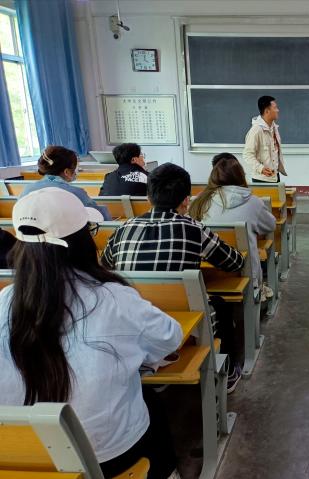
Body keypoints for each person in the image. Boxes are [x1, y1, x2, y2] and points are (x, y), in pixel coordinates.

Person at [0, 187, 182, 479]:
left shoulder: (4, 300)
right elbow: (169, 338)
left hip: (20, 458)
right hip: (104, 458)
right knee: (152, 404)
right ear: (81, 241)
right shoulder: (113, 298)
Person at [101, 163, 245, 392]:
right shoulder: (194, 229)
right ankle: (228, 374)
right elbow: (234, 262)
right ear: (186, 200)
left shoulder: (123, 229)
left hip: (130, 323)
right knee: (221, 305)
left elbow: (105, 266)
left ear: (148, 198)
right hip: (181, 327)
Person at [189, 153, 276, 299]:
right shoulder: (254, 203)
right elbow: (271, 225)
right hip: (244, 273)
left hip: (206, 274)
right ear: (241, 176)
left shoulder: (200, 202)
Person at [20, 146, 111, 220]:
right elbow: (101, 216)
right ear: (67, 172)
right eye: (75, 167)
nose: (77, 171)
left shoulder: (27, 189)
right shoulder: (76, 192)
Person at [243, 95, 287, 183]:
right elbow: (247, 154)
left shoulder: (274, 127)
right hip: (261, 179)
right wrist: (260, 168)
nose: (278, 110)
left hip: (274, 176)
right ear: (267, 111)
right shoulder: (256, 130)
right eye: (275, 108)